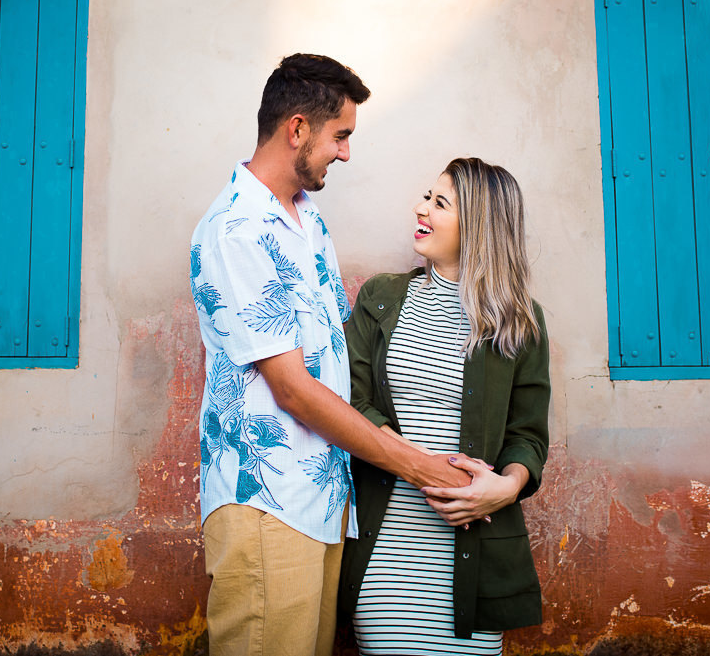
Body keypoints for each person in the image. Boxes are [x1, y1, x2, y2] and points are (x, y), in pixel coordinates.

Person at [189, 54, 469, 656]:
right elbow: (290, 389)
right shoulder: (236, 230)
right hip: (266, 503)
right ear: (297, 129)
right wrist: (416, 465)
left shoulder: (305, 218)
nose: (345, 153)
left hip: (319, 500)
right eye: (339, 136)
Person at [340, 157, 552, 654]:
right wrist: (416, 464)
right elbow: (351, 397)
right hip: (388, 552)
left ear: (477, 223)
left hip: (474, 561)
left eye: (439, 203)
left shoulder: (520, 322)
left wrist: (505, 488)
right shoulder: (382, 297)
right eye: (425, 197)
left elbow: (528, 434)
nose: (421, 209)